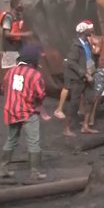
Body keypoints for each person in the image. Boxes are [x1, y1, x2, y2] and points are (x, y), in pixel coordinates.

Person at [0, 44, 50, 182]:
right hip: (28, 112)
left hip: (11, 111)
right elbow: (41, 94)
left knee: (11, 140)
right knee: (34, 142)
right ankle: (35, 173)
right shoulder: (35, 75)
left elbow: (3, 88)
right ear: (33, 59)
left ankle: (2, 169)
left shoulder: (11, 71)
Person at [63, 21, 98, 136]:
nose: (92, 31)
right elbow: (71, 62)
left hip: (87, 76)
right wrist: (85, 74)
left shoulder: (86, 43)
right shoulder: (75, 45)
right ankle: (67, 128)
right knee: (74, 103)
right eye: (90, 29)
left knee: (91, 99)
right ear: (84, 31)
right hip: (78, 78)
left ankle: (85, 125)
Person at [1, 0, 33, 70]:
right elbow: (6, 34)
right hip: (10, 51)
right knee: (10, 71)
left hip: (19, 50)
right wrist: (24, 34)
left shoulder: (18, 18)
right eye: (20, 4)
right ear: (15, 5)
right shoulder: (8, 18)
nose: (22, 6)